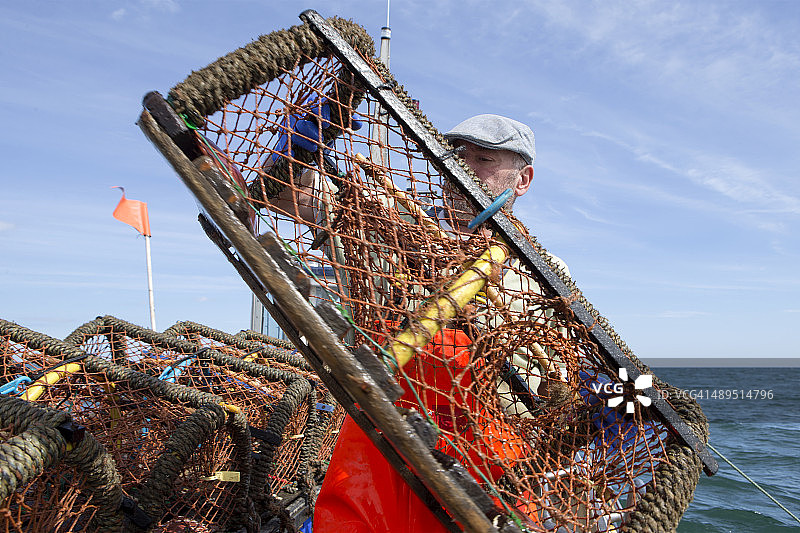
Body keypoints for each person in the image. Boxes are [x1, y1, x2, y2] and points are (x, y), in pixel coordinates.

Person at [312, 114, 570, 532]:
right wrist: (312, 136)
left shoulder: (546, 273)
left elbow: (553, 380)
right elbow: (298, 197)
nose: (459, 167)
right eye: (456, 154)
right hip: (382, 436)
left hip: (488, 461)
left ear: (522, 180)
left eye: (482, 158)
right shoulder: (394, 226)